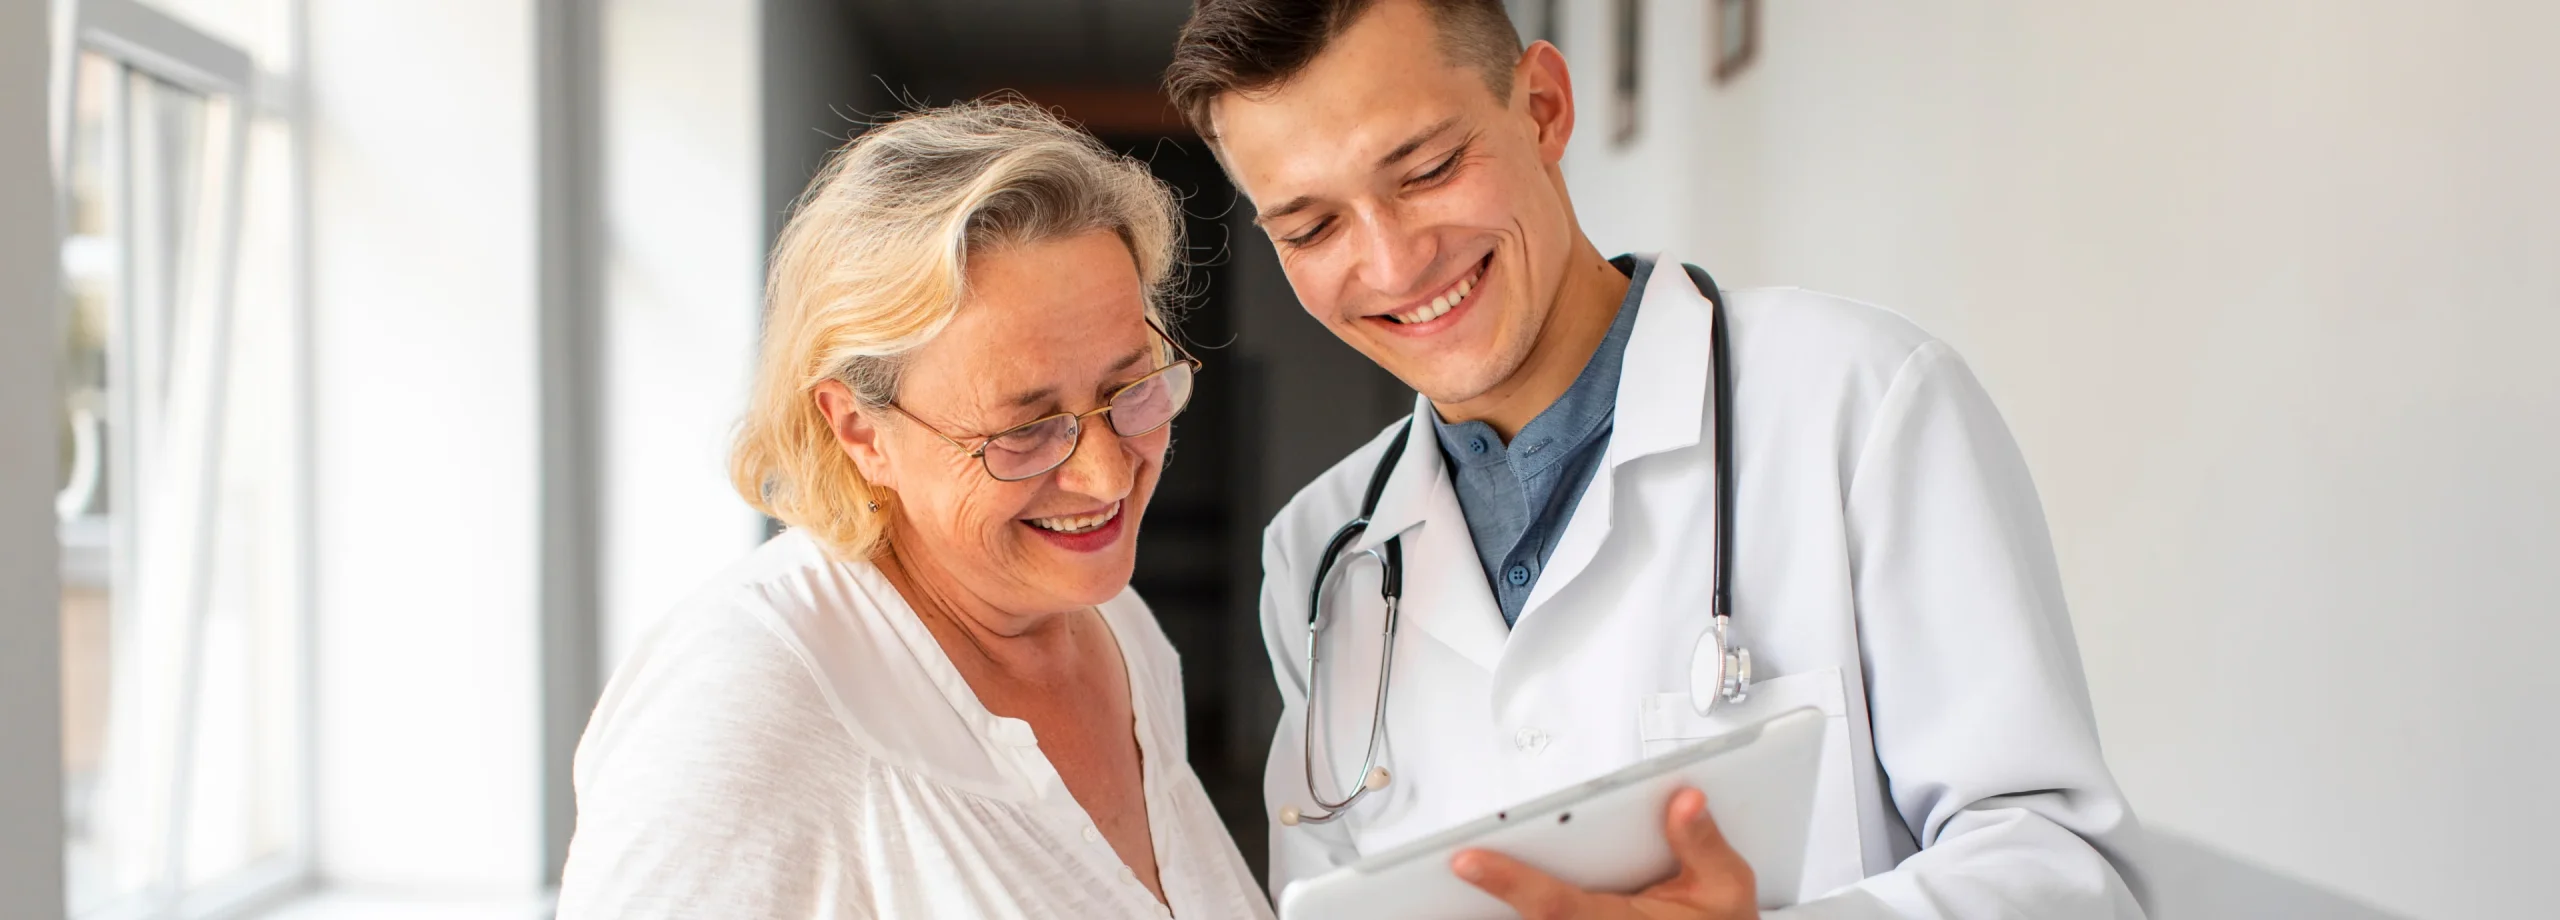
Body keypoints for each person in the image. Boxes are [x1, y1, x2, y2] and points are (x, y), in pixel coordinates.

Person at [1166, 1, 2148, 917]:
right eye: (1312, 225)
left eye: (1424, 170)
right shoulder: (1321, 554)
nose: (1390, 262)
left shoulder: (1858, 400)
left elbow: (2064, 868)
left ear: (1543, 110)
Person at [555, 101, 1272, 919]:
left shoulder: (1114, 626)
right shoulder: (746, 700)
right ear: (859, 429)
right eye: (1026, 429)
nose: (1107, 476)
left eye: (1131, 389)